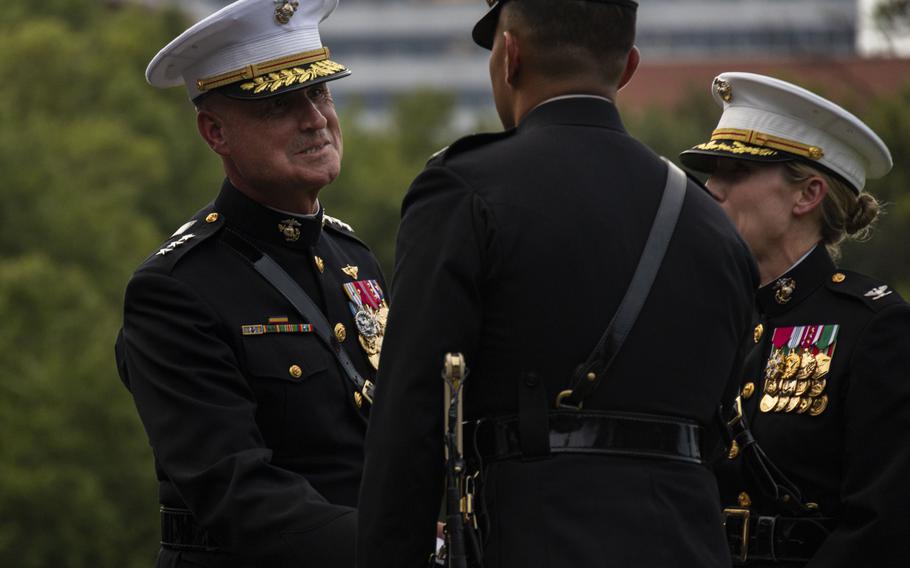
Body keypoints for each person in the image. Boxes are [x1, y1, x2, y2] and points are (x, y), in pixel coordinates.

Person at [357, 1, 758, 566]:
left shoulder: (464, 190)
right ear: (627, 67)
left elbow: (410, 423)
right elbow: (722, 423)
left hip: (535, 538)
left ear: (509, 55)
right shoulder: (712, 224)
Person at [114, 1, 387, 566]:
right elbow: (235, 491)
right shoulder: (175, 290)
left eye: (320, 92)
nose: (315, 119)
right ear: (216, 131)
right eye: (280, 104)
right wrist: (400, 547)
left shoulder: (351, 258)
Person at [679, 72, 910, 566]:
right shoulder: (706, 317)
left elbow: (884, 524)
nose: (712, 189)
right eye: (712, 172)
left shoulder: (874, 328)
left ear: (807, 195)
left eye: (735, 173)